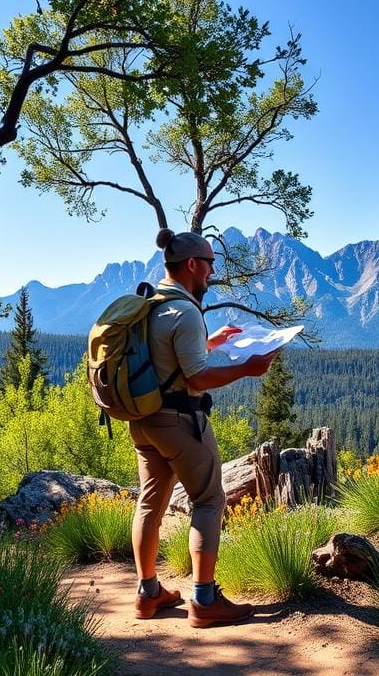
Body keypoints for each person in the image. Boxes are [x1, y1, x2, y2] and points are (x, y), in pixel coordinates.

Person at [131, 228, 279, 628]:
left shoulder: (151, 303)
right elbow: (194, 379)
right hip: (179, 421)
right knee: (209, 500)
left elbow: (164, 358)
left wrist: (209, 343)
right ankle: (205, 600)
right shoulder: (186, 310)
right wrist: (247, 368)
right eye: (210, 264)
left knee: (149, 504)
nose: (212, 272)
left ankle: (148, 594)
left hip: (143, 422)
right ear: (193, 264)